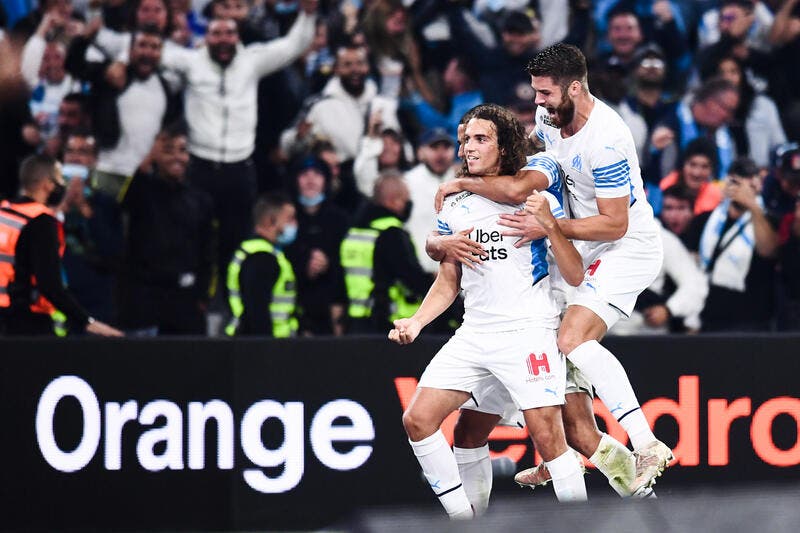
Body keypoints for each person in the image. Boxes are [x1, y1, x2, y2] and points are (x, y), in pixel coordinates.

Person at [434, 43, 672, 494]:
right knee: (572, 409)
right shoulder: (549, 120)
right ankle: (597, 471)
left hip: (624, 248)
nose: (537, 103)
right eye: (535, 92)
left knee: (571, 338)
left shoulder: (608, 139)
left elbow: (614, 223)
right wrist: (469, 185)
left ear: (576, 88)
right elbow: (532, 169)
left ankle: (646, 442)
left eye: (545, 93)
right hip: (578, 246)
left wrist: (548, 224)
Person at [391, 104, 587, 519]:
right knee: (421, 421)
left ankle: (584, 526)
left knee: (550, 439)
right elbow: (448, 282)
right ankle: (465, 523)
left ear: (505, 145)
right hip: (475, 333)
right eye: (465, 140)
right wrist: (416, 321)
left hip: (528, 332)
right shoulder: (454, 205)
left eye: (481, 139)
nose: (469, 147)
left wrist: (551, 226)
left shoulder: (534, 194)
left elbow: (573, 274)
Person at [160, 0, 317, 295]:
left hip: (239, 170)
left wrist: (307, 14)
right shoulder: (191, 62)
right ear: (206, 37)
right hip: (199, 167)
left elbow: (294, 45)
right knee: (195, 239)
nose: (223, 40)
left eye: (229, 34)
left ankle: (233, 304)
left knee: (236, 241)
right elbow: (157, 54)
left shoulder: (252, 61)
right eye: (216, 33)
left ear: (238, 36)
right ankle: (194, 302)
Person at [0, 154, 122, 337]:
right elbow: (49, 284)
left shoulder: (5, 210)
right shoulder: (41, 221)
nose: (62, 185)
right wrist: (86, 322)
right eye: (59, 179)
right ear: (47, 184)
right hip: (28, 322)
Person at [118, 122, 215, 335]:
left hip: (186, 299)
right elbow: (126, 204)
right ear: (155, 154)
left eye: (182, 150)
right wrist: (150, 155)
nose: (176, 157)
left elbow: (207, 251)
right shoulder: (142, 190)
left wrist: (202, 294)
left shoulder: (200, 199)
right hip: (146, 299)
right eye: (167, 150)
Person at [684, 156, 779, 332]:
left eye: (750, 183)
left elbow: (768, 250)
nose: (742, 189)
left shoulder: (770, 220)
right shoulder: (704, 221)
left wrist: (752, 205)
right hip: (707, 316)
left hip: (752, 322)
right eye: (736, 181)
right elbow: (691, 268)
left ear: (759, 185)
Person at [340, 172, 430, 333]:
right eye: (404, 199)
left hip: (354, 321)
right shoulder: (391, 233)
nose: (408, 204)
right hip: (384, 320)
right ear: (392, 201)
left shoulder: (353, 232)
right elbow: (411, 276)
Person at [284, 156, 349, 336]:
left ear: (326, 180)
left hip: (331, 306)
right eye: (304, 174)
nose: (310, 179)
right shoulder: (285, 216)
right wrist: (304, 262)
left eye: (317, 174)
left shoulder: (340, 219)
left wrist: (328, 264)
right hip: (294, 304)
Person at [225, 192, 299, 337]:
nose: (294, 224)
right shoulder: (261, 258)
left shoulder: (255, 250)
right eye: (289, 219)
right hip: (263, 346)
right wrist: (264, 349)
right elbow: (257, 311)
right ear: (270, 221)